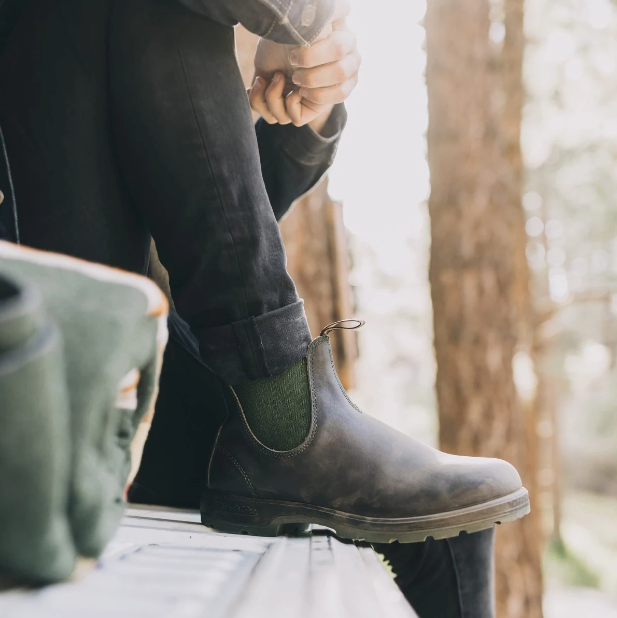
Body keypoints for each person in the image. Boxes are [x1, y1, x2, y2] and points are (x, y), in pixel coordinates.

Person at [0, 0, 528, 616]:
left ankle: (283, 416)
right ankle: (284, 414)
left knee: (451, 521)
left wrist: (297, 106)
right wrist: (302, 22)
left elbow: (207, 240)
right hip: (34, 372)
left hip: (114, 374)